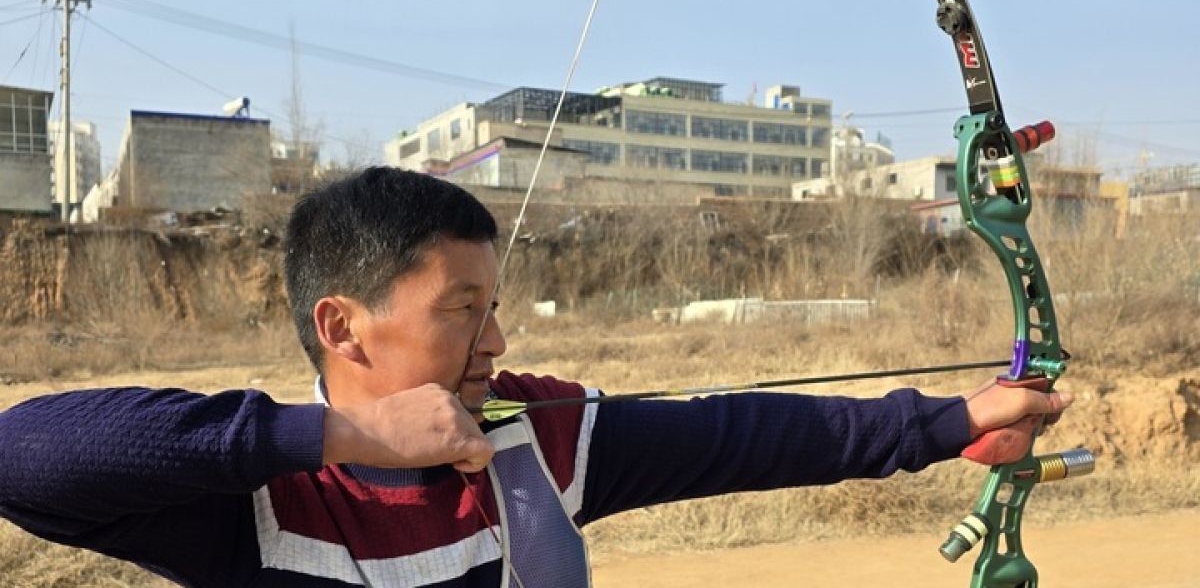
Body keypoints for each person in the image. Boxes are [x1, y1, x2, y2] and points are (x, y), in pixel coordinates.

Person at [0, 167, 1071, 588]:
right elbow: (26, 458)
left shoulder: (537, 434)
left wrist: (950, 420)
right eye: (462, 308)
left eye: (495, 303)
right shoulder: (260, 503)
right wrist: (339, 439)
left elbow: (736, 434)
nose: (496, 336)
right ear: (344, 325)